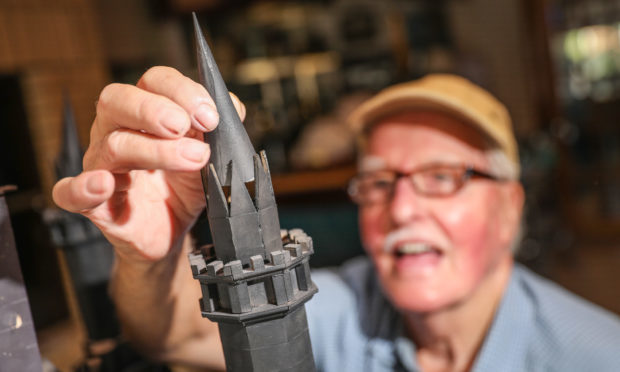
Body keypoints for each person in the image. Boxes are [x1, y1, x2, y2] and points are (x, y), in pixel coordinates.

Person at [52, 67, 620, 372]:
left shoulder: (597, 356)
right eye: (378, 181)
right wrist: (154, 253)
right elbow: (170, 335)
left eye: (443, 176)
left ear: (509, 207)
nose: (400, 209)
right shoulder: (347, 305)